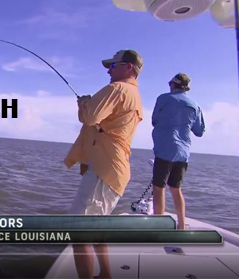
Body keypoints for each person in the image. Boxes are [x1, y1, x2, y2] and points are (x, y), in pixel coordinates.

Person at [64, 50, 143, 279]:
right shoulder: (134, 95)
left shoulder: (117, 89)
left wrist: (85, 103)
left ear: (128, 67)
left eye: (113, 65)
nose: (109, 70)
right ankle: (106, 274)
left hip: (105, 171)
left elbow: (90, 118)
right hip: (113, 170)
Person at [151, 73, 205, 230]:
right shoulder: (195, 105)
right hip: (183, 153)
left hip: (164, 150)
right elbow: (199, 131)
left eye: (170, 83)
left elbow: (154, 120)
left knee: (158, 188)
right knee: (176, 188)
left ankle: (158, 226)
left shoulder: (163, 99)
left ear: (174, 84)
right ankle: (181, 226)